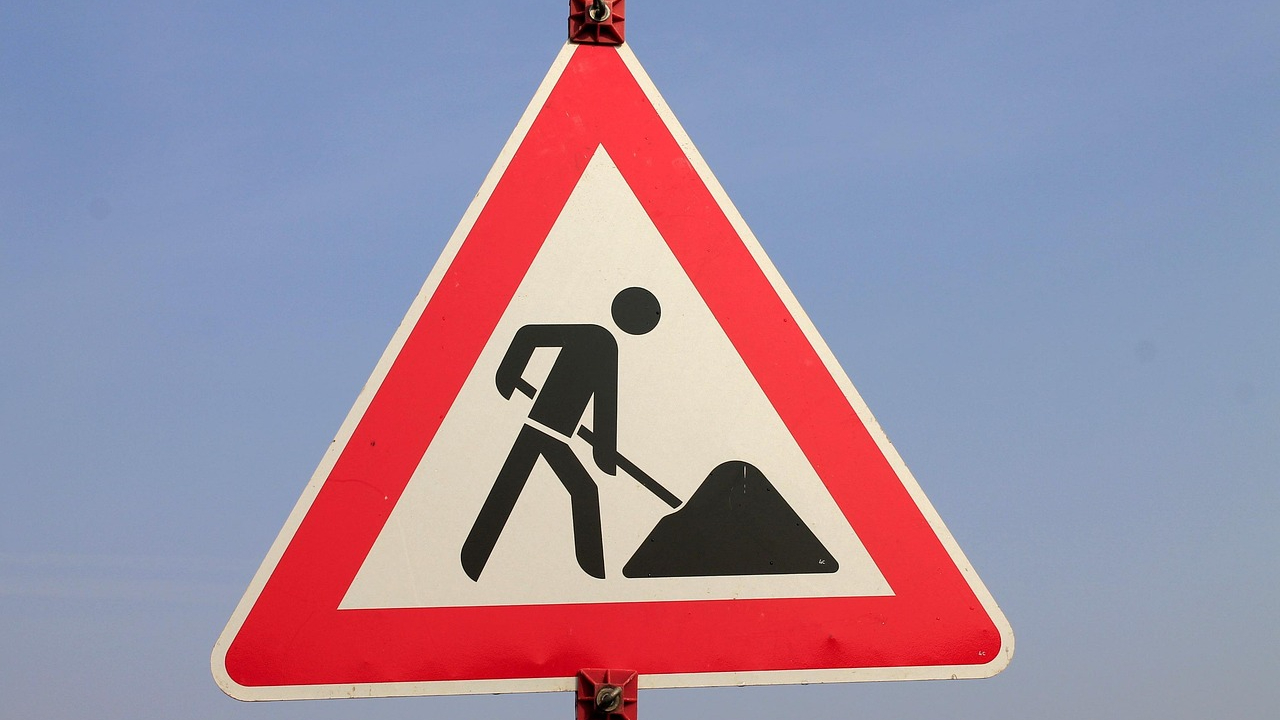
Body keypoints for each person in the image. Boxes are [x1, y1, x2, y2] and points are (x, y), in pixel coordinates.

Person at [461, 287, 661, 580]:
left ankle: (472, 560)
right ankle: (595, 575)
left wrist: (508, 374)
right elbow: (604, 406)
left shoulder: (598, 339)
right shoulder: (602, 343)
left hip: (548, 432)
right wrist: (507, 376)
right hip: (546, 430)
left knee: (514, 488)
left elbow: (603, 405)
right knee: (578, 490)